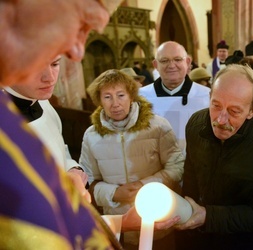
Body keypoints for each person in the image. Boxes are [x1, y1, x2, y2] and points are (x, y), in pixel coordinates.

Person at [0, 1, 178, 248]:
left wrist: (73, 173)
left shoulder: (47, 107)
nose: (77, 52)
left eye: (55, 63)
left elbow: (61, 156)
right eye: (78, 25)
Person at [167, 64, 253, 250]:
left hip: (244, 242)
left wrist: (208, 216)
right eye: (216, 105)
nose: (220, 120)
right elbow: (191, 179)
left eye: (234, 111)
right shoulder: (196, 123)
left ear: (252, 110)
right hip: (196, 237)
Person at [80, 69, 184, 248]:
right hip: (119, 227)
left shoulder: (157, 127)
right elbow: (87, 180)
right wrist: (113, 193)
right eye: (107, 97)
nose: (115, 104)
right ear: (99, 100)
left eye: (121, 95)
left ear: (131, 95)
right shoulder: (91, 136)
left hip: (158, 222)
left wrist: (145, 186)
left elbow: (177, 166)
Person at [4, 55, 89, 199]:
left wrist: (72, 169)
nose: (50, 78)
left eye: (55, 64)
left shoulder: (44, 103)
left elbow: (61, 150)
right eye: (36, 68)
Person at [139, 41, 210, 151]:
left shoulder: (207, 96)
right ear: (155, 65)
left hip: (196, 164)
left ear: (187, 62)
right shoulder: (141, 97)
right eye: (164, 61)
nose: (171, 65)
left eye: (177, 59)